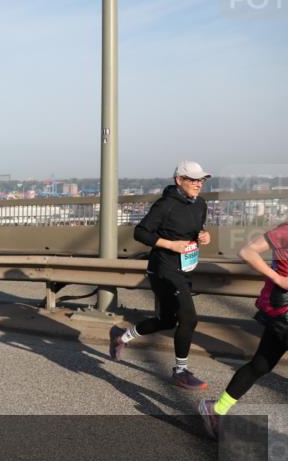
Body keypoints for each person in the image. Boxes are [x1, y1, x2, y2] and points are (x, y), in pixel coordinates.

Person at [110, 161, 212, 390]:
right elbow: (140, 232)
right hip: (163, 268)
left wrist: (204, 236)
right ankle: (180, 371)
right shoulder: (165, 205)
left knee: (166, 320)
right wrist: (170, 245)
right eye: (193, 180)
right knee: (189, 319)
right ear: (179, 180)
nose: (198, 184)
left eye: (201, 180)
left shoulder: (200, 204)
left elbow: (196, 229)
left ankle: (121, 337)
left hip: (184, 268)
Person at [199, 222, 288, 438]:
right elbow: (247, 251)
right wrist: (278, 278)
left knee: (261, 364)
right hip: (284, 308)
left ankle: (216, 409)